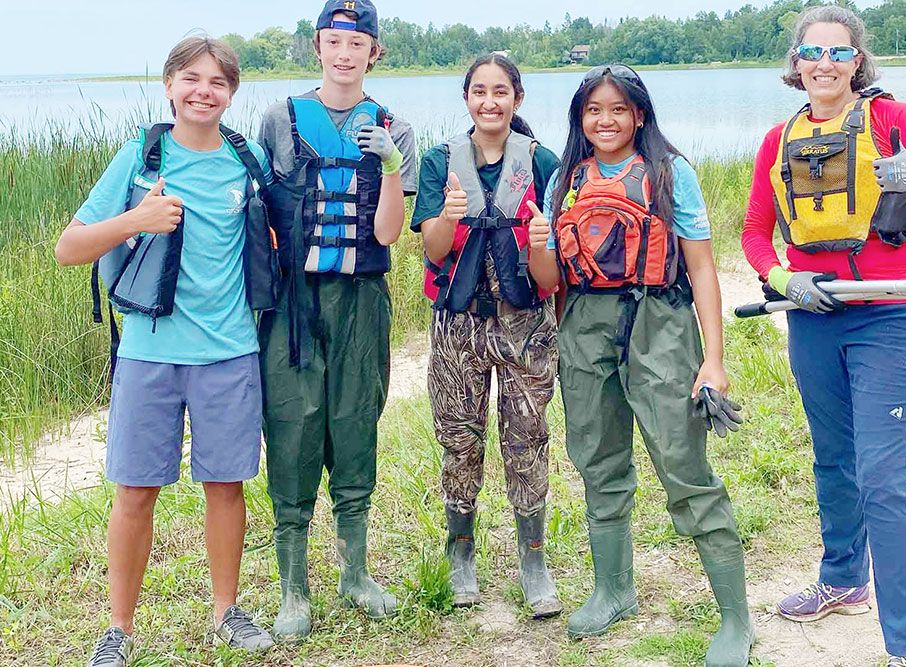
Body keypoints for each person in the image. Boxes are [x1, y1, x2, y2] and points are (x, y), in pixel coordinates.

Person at [740, 7, 906, 667]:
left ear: (856, 62)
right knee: (832, 460)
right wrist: (781, 275)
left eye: (837, 53)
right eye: (811, 52)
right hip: (815, 318)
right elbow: (756, 232)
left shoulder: (893, 123)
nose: (823, 64)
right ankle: (843, 580)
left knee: (883, 477)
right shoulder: (775, 140)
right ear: (796, 62)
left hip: (891, 316)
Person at [54, 36, 276, 667]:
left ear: (232, 93)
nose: (204, 92)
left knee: (226, 485)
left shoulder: (247, 159)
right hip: (149, 353)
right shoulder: (140, 158)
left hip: (230, 351)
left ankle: (227, 611)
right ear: (169, 84)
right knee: (134, 491)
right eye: (192, 79)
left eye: (219, 82)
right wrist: (135, 220)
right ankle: (118, 629)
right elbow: (70, 247)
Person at [534, 64, 754, 666]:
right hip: (583, 326)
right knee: (598, 459)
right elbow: (552, 278)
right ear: (580, 119)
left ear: (640, 114)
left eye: (619, 110)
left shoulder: (669, 173)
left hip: (659, 323)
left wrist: (713, 358)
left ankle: (735, 618)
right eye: (593, 111)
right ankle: (613, 589)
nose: (606, 121)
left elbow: (703, 267)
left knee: (682, 461)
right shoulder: (564, 178)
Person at [256, 0, 417, 640]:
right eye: (332, 41)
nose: (344, 54)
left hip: (361, 297)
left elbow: (388, 235)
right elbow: (262, 215)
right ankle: (293, 589)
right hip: (294, 299)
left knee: (355, 422)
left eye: (357, 44)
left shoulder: (394, 126)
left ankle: (355, 573)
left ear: (373, 52)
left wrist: (390, 165)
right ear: (317, 47)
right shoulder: (278, 118)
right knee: (292, 427)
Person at [412, 53, 562, 617]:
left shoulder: (543, 162)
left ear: (517, 99)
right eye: (479, 91)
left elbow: (550, 279)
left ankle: (533, 559)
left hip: (525, 322)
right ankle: (462, 552)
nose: (489, 101)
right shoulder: (439, 161)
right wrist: (448, 214)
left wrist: (544, 241)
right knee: (459, 437)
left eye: (501, 91)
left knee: (527, 437)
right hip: (458, 322)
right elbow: (432, 250)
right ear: (467, 97)